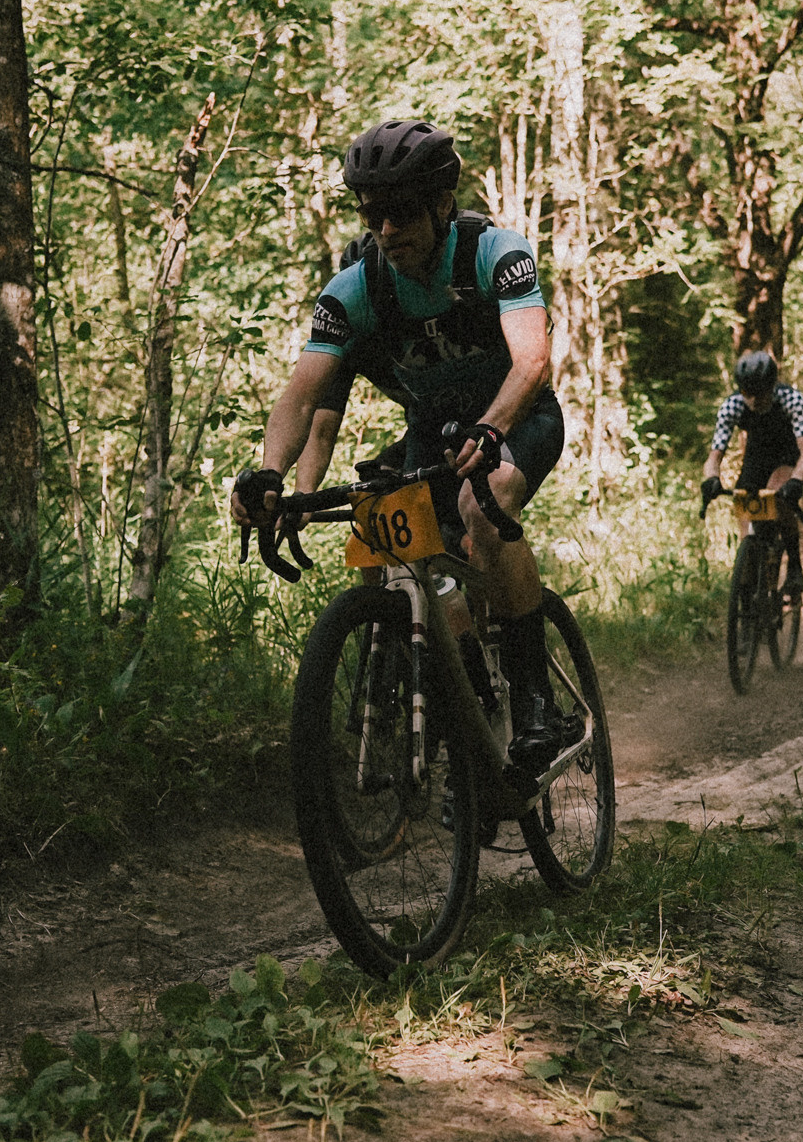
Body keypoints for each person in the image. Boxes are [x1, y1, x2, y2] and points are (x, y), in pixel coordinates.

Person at [229, 118, 574, 774]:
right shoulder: (355, 288)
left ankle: (534, 703)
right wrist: (271, 477)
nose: (387, 230)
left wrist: (492, 428)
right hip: (433, 432)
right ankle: (464, 713)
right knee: (393, 544)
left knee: (484, 506)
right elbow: (302, 396)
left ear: (442, 203)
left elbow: (531, 362)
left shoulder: (495, 252)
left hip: (515, 417)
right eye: (373, 215)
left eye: (403, 213)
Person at [698, 349, 803, 597]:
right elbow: (714, 455)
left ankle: (794, 565)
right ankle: (750, 579)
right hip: (756, 459)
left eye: (760, 393)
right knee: (746, 520)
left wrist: (797, 480)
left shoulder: (790, 399)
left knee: (777, 495)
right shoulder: (732, 406)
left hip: (786, 457)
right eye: (747, 393)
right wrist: (711, 479)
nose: (754, 400)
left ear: (772, 386)